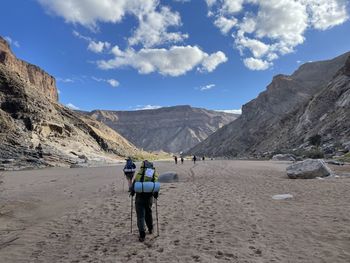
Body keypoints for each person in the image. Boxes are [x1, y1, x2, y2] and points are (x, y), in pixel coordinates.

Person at [130, 160, 159, 242]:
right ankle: (150, 229)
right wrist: (155, 194)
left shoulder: (140, 173)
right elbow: (155, 186)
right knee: (148, 213)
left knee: (140, 216)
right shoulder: (153, 174)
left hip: (139, 197)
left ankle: (142, 234)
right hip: (149, 197)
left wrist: (132, 192)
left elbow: (133, 186)